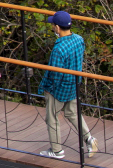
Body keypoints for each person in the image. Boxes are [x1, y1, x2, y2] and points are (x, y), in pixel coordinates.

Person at [38, 10, 99, 159]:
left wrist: (47, 89)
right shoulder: (79, 39)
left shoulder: (58, 49)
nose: (52, 27)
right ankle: (89, 140)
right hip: (74, 84)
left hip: (59, 89)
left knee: (52, 118)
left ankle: (57, 150)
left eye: (53, 25)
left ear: (58, 28)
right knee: (73, 114)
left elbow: (55, 75)